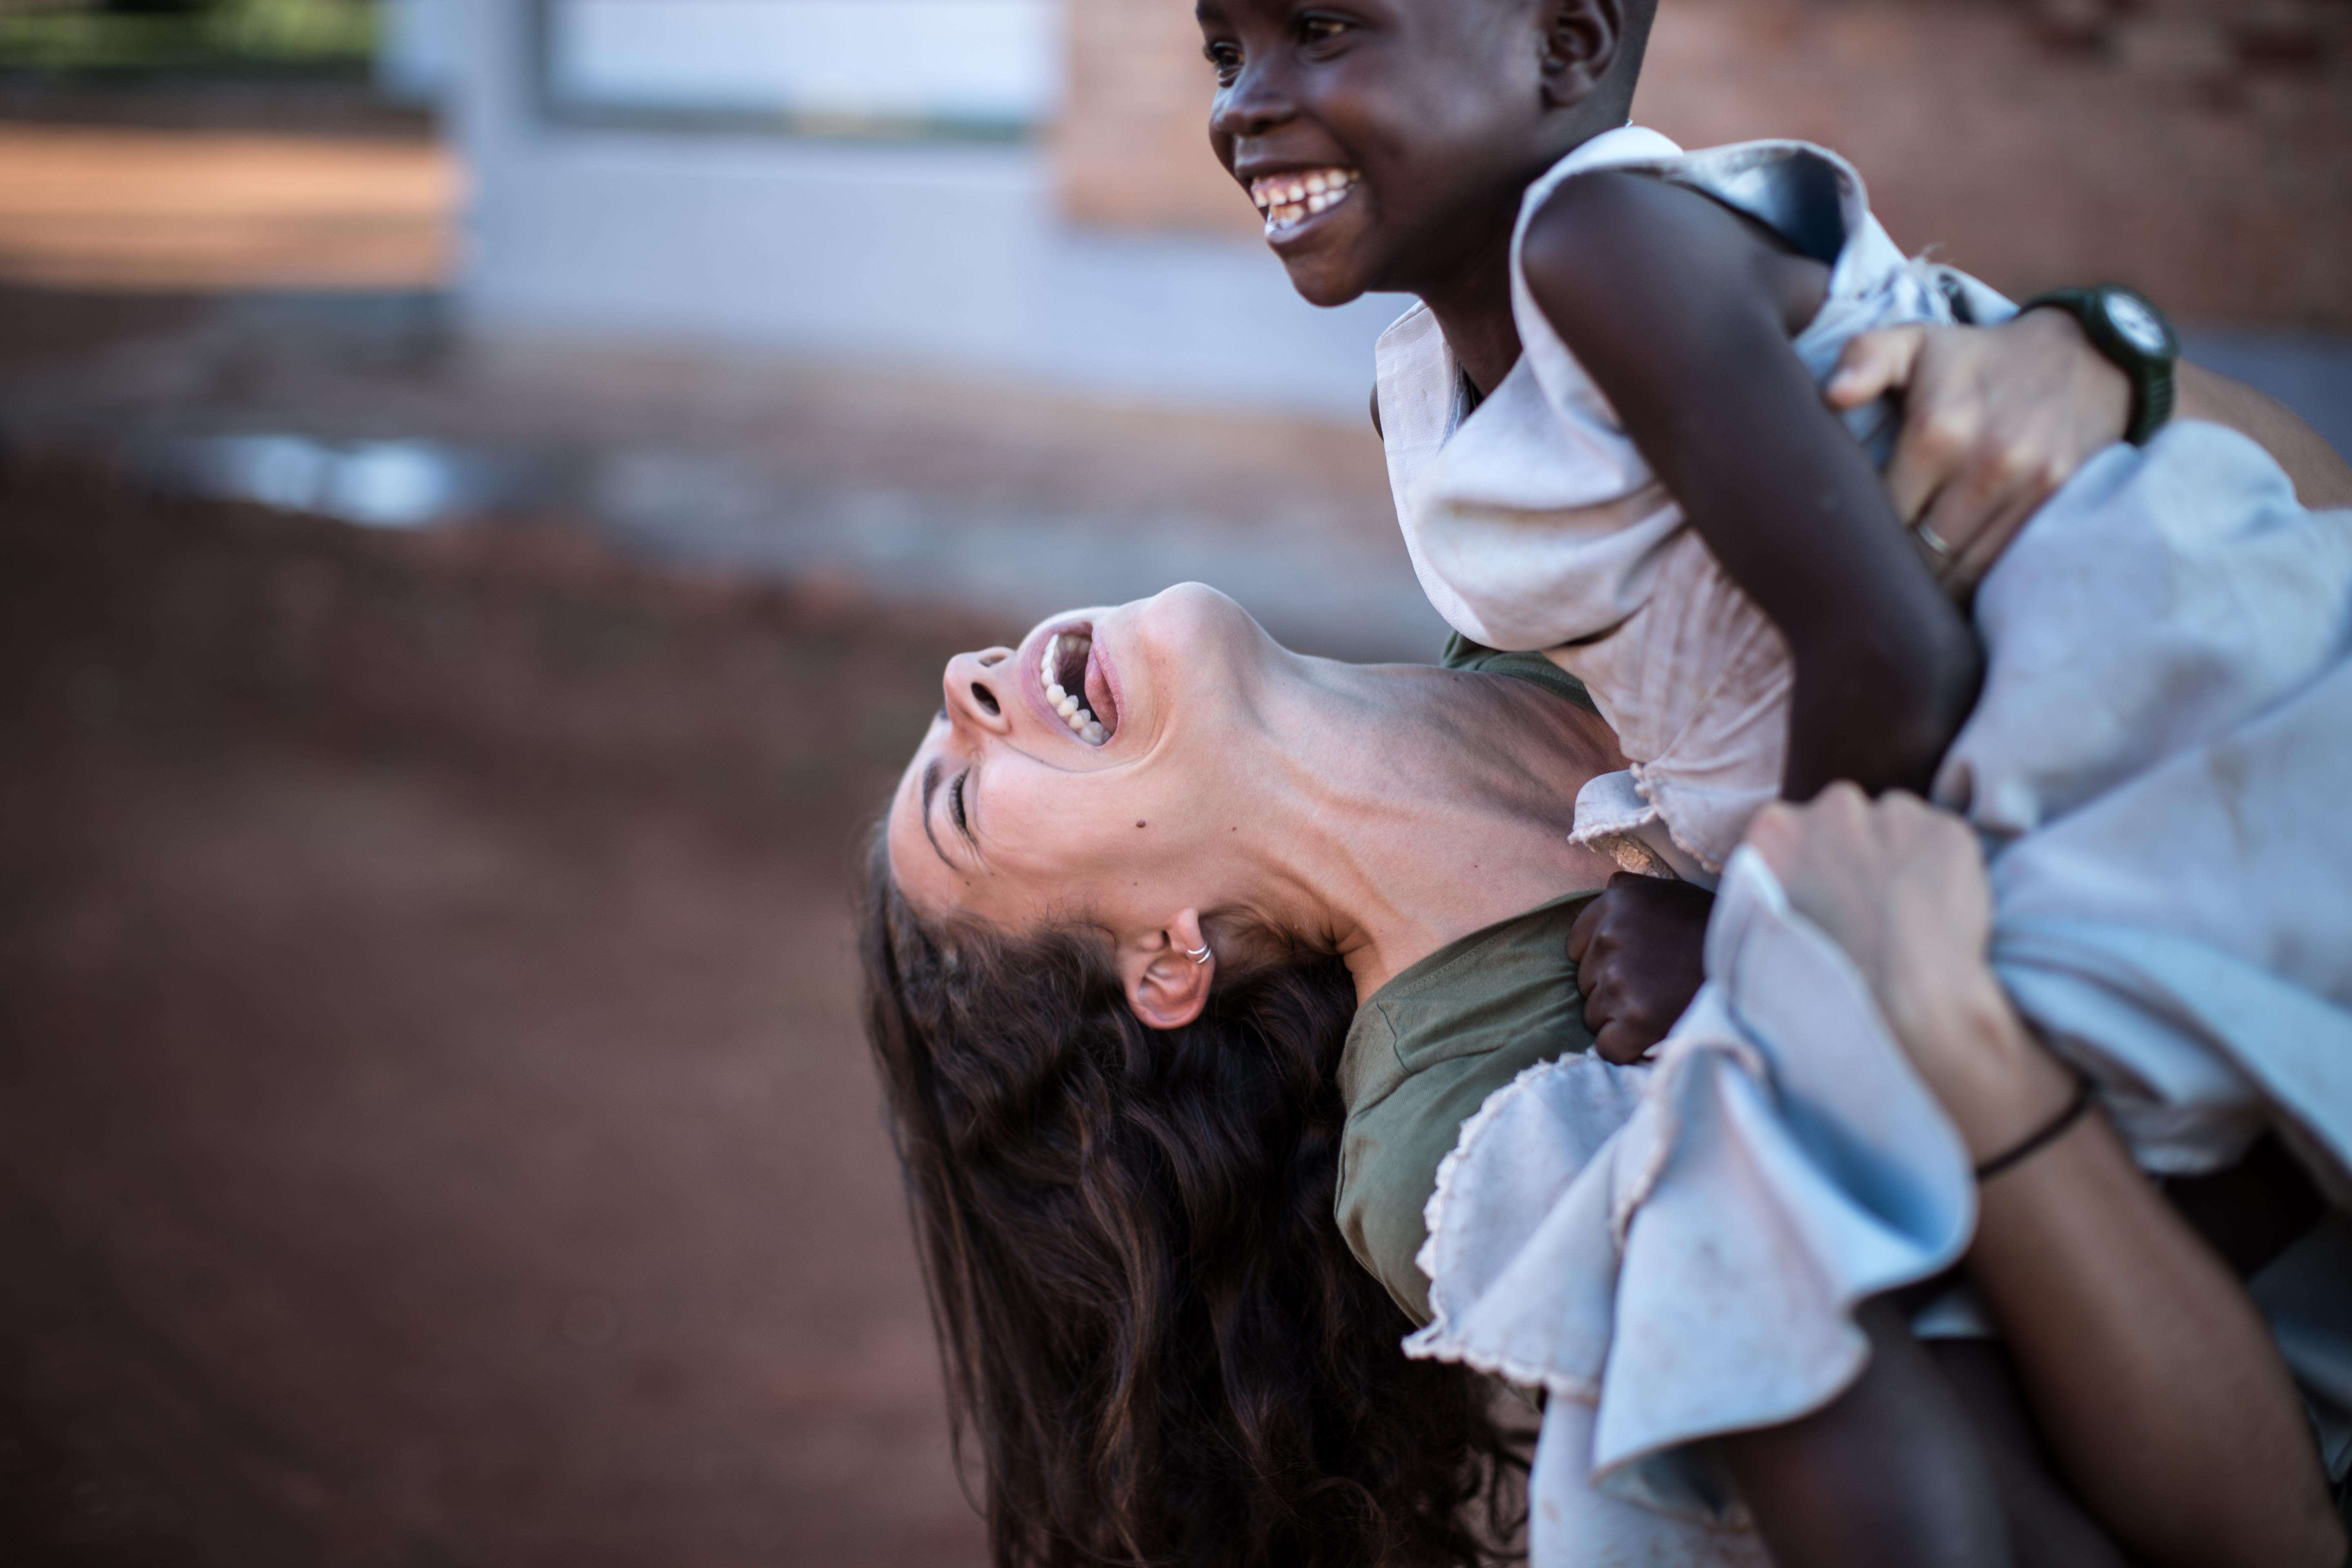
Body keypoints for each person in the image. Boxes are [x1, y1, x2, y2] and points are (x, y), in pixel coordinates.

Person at [862, 580, 2341, 1566]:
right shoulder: (1463, 1140)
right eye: (966, 803)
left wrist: (2083, 359)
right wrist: (1854, 1003)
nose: (965, 679)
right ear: (1168, 960)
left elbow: (2257, 549)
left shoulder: (1572, 582)